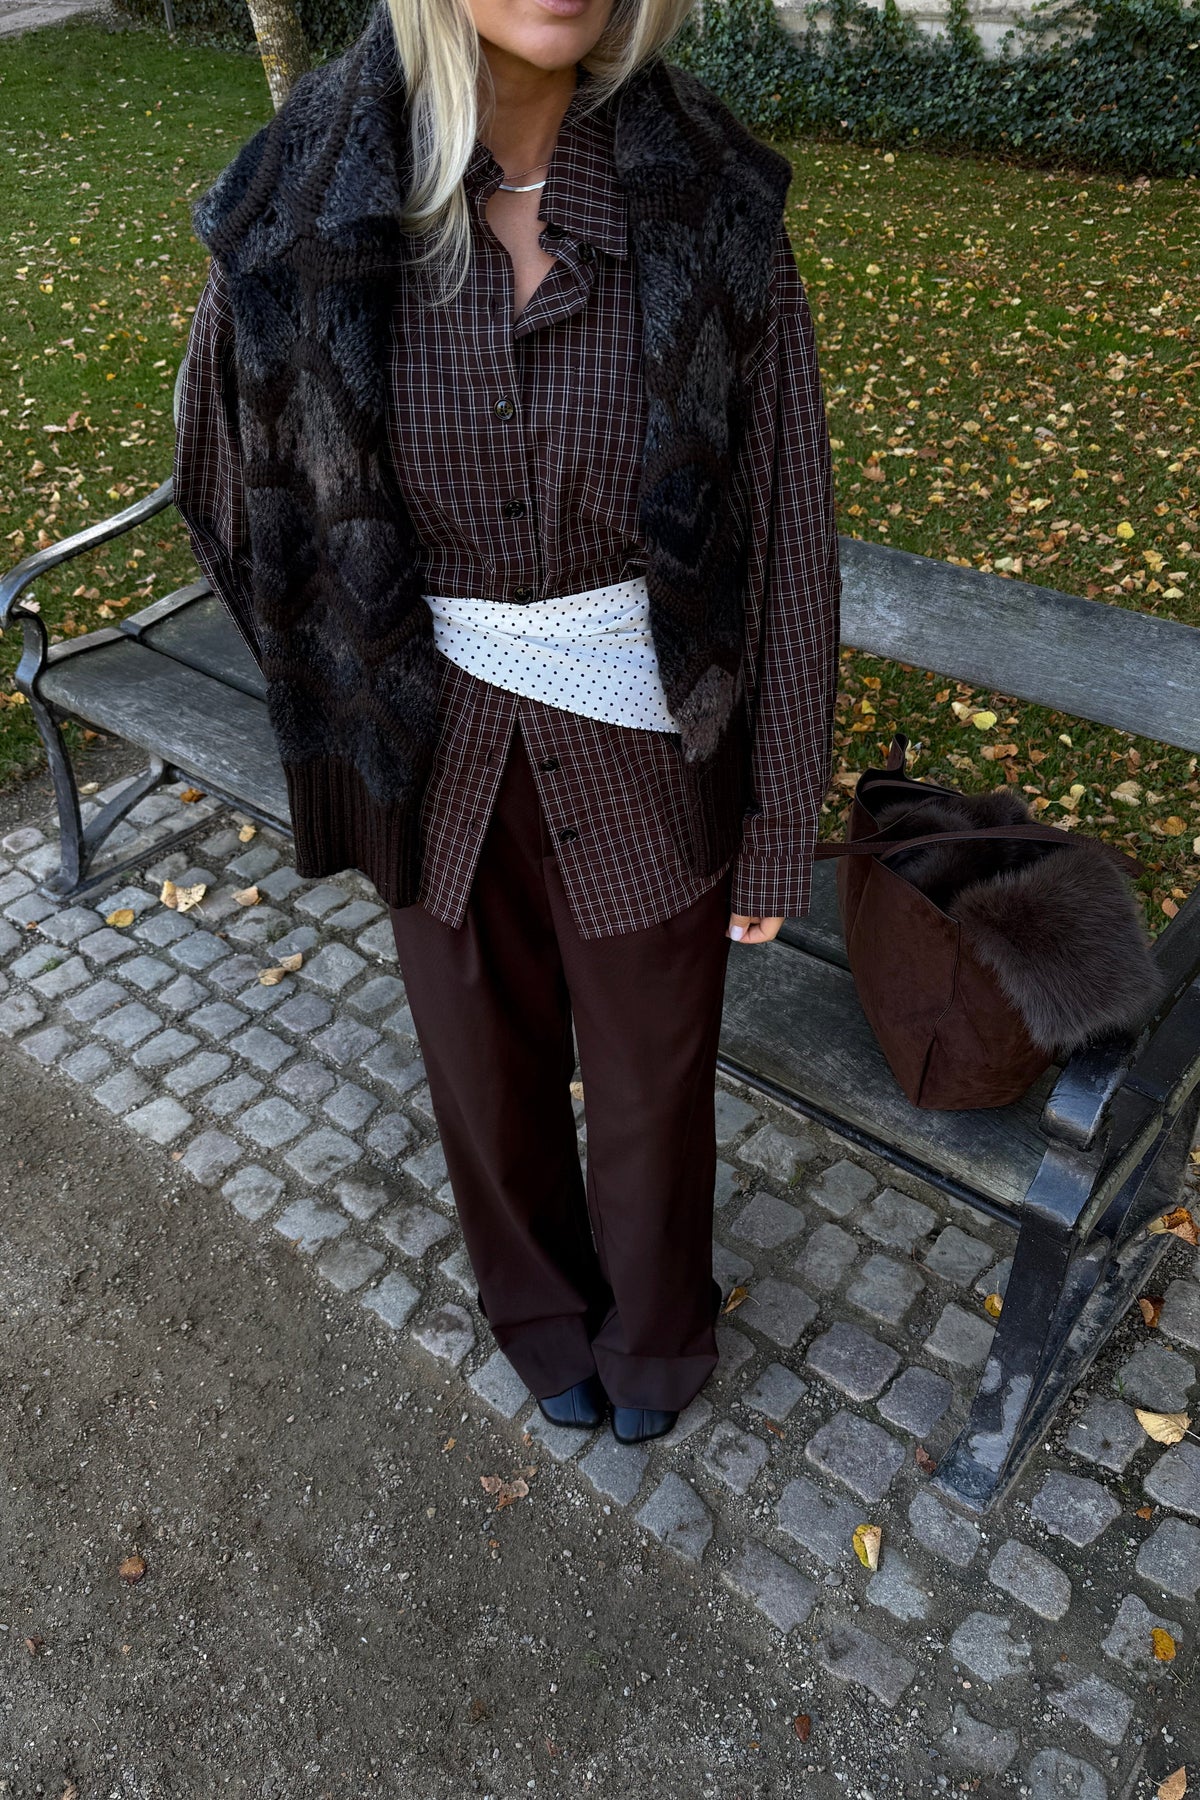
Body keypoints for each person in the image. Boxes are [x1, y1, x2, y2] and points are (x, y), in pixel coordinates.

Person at [173, 0, 841, 1446]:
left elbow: (788, 521)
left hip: (652, 743)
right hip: (435, 748)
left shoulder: (712, 202)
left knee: (656, 1080)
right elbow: (224, 487)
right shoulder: (303, 203)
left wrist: (779, 810)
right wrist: (348, 678)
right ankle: (539, 1316)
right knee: (482, 1070)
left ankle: (657, 1335)